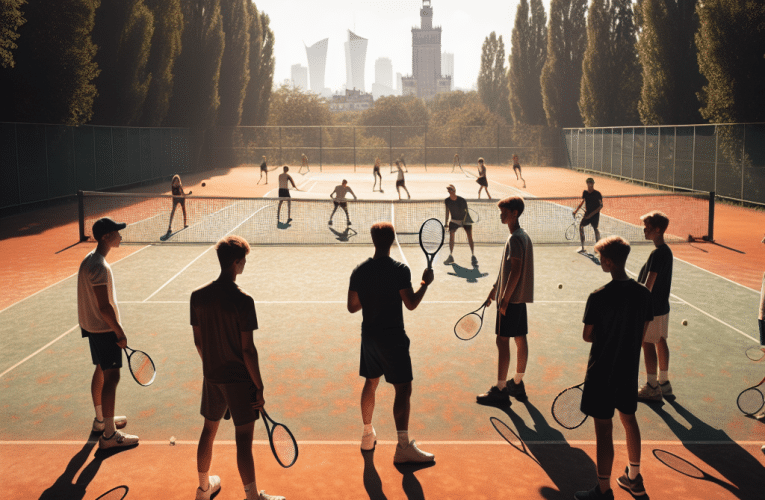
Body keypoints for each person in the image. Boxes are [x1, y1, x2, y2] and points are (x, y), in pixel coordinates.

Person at [190, 236, 285, 500]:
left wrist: (212, 365)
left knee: (208, 430)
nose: (245, 263)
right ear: (235, 262)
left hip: (211, 376)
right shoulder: (243, 300)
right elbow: (247, 350)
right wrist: (259, 385)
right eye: (243, 259)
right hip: (238, 380)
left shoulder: (197, 297)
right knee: (243, 438)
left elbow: (199, 342)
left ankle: (203, 488)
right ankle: (252, 496)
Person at [348, 222, 435, 464]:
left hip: (369, 337)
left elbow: (352, 306)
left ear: (372, 239)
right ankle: (403, 447)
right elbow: (411, 303)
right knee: (403, 389)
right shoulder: (400, 270)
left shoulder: (360, 271)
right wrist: (425, 284)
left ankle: (367, 435)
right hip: (393, 338)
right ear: (392, 239)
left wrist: (372, 295)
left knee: (371, 382)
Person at [575, 236, 653, 500]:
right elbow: (641, 334)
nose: (599, 261)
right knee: (629, 419)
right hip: (628, 371)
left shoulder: (598, 296)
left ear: (608, 261)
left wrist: (608, 337)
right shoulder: (644, 294)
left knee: (604, 429)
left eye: (600, 258)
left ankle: (604, 490)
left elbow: (588, 336)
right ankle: (633, 477)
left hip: (601, 372)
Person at [77, 217, 137, 449]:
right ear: (106, 237)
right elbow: (104, 307)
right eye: (116, 232)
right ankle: (109, 437)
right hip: (103, 329)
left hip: (91, 327)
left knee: (101, 369)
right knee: (112, 378)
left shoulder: (89, 260)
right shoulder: (100, 267)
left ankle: (101, 420)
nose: (120, 235)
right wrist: (119, 332)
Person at [477, 196, 533, 405]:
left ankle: (501, 390)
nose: (501, 215)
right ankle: (517, 382)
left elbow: (516, 271)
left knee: (502, 341)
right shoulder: (522, 235)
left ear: (515, 213)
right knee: (520, 338)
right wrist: (495, 289)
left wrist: (504, 299)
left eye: (504, 212)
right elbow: (508, 270)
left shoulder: (515, 239)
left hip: (511, 300)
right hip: (520, 300)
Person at [636, 211, 674, 402]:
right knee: (660, 340)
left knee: (647, 343)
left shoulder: (657, 254)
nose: (645, 229)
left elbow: (648, 285)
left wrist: (634, 302)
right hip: (662, 307)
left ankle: (652, 387)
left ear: (657, 230)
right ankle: (664, 383)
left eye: (648, 227)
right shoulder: (666, 251)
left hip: (651, 309)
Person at [443, 184, 476, 266]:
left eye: (450, 189)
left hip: (464, 220)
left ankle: (473, 256)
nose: (449, 191)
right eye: (448, 190)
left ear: (454, 191)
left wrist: (464, 222)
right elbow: (447, 212)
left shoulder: (462, 200)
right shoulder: (447, 200)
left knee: (469, 237)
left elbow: (466, 212)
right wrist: (446, 223)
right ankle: (451, 256)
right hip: (454, 221)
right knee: (451, 237)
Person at [573, 178, 603, 253]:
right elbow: (583, 201)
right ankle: (582, 247)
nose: (590, 184)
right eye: (588, 183)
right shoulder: (585, 193)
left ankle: (598, 247)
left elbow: (601, 206)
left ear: (593, 184)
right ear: (587, 184)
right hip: (587, 214)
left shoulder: (597, 194)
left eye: (591, 183)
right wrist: (576, 210)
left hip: (595, 215)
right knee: (581, 226)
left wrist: (592, 214)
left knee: (595, 229)